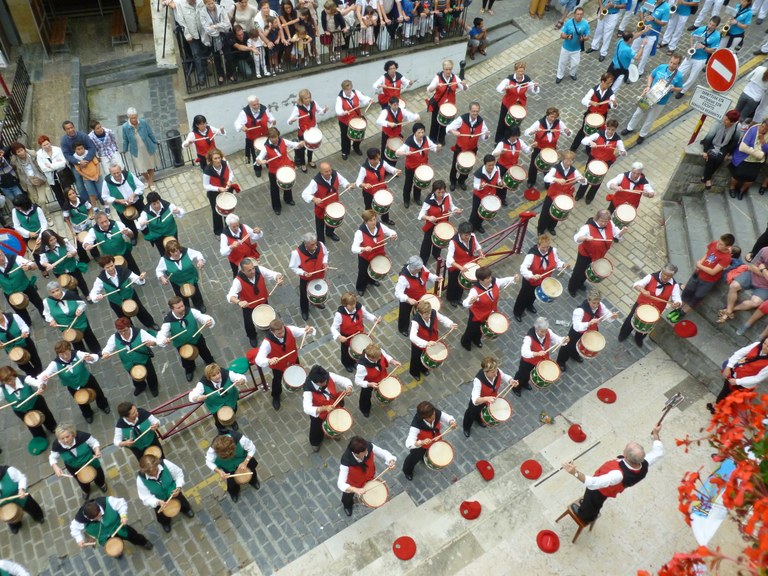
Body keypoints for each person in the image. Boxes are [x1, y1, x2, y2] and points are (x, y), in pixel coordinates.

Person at [562, 425, 664, 523]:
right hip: (611, 487)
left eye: (625, 449)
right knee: (595, 501)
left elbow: (592, 483)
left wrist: (574, 473)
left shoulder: (617, 474)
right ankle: (588, 507)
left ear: (626, 456)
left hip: (600, 490)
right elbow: (658, 452)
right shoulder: (643, 463)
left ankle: (585, 515)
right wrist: (655, 434)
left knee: (592, 501)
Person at [39, 340, 109, 423]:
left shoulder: (77, 354)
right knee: (81, 400)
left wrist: (90, 357)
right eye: (61, 354)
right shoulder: (54, 364)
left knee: (98, 392)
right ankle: (87, 413)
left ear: (70, 349)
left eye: (66, 353)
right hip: (73, 386)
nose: (65, 356)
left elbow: (93, 356)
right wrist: (44, 377)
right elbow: (43, 375)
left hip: (87, 379)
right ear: (58, 354)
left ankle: (103, 405)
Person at [621, 53, 683, 145]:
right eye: (671, 62)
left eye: (674, 64)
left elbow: (680, 88)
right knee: (638, 112)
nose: (671, 65)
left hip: (661, 101)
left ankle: (642, 135)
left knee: (650, 118)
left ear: (678, 65)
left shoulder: (678, 76)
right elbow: (651, 76)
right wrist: (648, 86)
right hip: (650, 95)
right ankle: (630, 128)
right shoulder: (662, 67)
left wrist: (672, 88)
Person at [255, 319, 315, 411]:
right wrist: (269, 360)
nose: (282, 334)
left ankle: (298, 383)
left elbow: (304, 331)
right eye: (279, 333)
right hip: (279, 366)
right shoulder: (267, 343)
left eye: (283, 330)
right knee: (277, 381)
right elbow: (258, 359)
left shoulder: (289, 330)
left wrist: (309, 330)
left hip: (293, 359)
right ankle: (276, 396)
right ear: (272, 331)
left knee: (297, 372)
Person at [618, 263, 681, 346]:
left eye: (668, 276)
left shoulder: (674, 286)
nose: (665, 277)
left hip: (655, 311)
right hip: (641, 305)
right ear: (661, 270)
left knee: (646, 327)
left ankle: (638, 339)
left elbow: (677, 299)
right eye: (664, 274)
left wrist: (677, 303)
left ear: (673, 275)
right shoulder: (651, 277)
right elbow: (636, 285)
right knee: (630, 320)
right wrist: (643, 291)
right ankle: (623, 334)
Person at [567, 209, 626, 297]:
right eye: (602, 221)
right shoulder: (587, 227)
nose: (604, 223)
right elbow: (577, 238)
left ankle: (580, 284)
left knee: (588, 271)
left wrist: (622, 232)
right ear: (597, 218)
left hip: (599, 255)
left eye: (606, 221)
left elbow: (616, 234)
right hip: (585, 255)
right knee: (578, 272)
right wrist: (585, 238)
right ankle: (572, 287)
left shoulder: (609, 223)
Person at [227, 257, 283, 347]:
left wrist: (278, 278)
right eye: (249, 270)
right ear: (243, 272)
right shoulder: (238, 281)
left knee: (267, 317)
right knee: (248, 323)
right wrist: (238, 302)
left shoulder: (259, 270)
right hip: (249, 306)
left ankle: (266, 328)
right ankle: (252, 336)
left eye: (253, 268)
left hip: (263, 300)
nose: (253, 271)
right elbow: (230, 296)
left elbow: (273, 274)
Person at [557, 289, 617, 372]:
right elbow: (576, 326)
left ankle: (574, 354)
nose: (596, 305)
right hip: (577, 332)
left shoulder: (600, 306)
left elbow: (606, 314)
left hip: (590, 332)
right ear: (588, 300)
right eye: (593, 303)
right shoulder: (579, 311)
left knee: (581, 345)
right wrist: (588, 324)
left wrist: (612, 316)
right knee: (568, 347)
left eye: (598, 303)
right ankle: (560, 361)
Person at [89, 256, 157, 329]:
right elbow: (92, 294)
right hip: (116, 302)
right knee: (123, 319)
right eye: (107, 267)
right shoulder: (100, 279)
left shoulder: (123, 270)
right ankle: (131, 330)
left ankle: (150, 323)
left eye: (112, 265)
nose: (111, 269)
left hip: (130, 295)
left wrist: (141, 278)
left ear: (114, 263)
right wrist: (97, 297)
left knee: (141, 311)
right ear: (103, 268)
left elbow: (137, 279)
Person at [158, 297, 216, 382]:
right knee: (186, 360)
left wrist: (208, 321)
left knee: (205, 352)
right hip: (182, 345)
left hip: (197, 339)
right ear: (172, 309)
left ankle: (210, 362)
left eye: (182, 306)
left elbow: (202, 317)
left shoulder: (191, 311)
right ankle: (189, 369)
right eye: (179, 308)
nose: (182, 308)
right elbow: (161, 334)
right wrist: (164, 340)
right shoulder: (168, 322)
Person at [460, 266, 518, 351]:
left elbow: (504, 281)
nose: (490, 279)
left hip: (490, 312)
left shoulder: (495, 282)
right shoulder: (475, 290)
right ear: (481, 280)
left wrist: (513, 279)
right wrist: (471, 301)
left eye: (490, 277)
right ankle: (465, 341)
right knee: (471, 329)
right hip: (477, 315)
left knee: (481, 329)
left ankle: (477, 340)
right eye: (487, 278)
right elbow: (465, 303)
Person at [513, 234, 567, 322]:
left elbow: (557, 262)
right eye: (543, 247)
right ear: (538, 245)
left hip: (543, 280)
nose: (546, 250)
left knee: (534, 295)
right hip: (530, 281)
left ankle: (529, 305)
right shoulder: (531, 255)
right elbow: (523, 268)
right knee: (523, 296)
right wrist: (531, 275)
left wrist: (562, 265)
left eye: (547, 247)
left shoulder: (553, 251)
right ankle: (517, 311)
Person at [337, 435, 396, 516]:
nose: (367, 452)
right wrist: (355, 489)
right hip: (354, 483)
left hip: (368, 476)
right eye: (364, 452)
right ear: (356, 453)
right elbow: (340, 483)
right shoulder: (346, 461)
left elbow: (383, 453)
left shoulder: (367, 446)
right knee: (347, 496)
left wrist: (390, 460)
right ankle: (347, 506)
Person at [70, 497, 153, 553]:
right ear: (87, 517)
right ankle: (118, 552)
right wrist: (79, 539)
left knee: (133, 536)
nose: (99, 518)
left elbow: (121, 504)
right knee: (113, 548)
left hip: (119, 527)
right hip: (104, 537)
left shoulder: (108, 501)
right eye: (95, 518)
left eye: (99, 515)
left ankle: (143, 542)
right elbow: (74, 529)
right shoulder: (80, 519)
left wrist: (123, 515)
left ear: (99, 509)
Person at [136, 455, 195, 533]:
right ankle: (165, 522)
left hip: (174, 492)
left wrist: (178, 487)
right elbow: (146, 498)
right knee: (161, 515)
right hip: (159, 500)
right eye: (150, 473)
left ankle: (186, 509)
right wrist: (157, 502)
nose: (154, 474)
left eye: (155, 469)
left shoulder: (166, 464)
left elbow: (178, 474)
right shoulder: (140, 480)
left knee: (182, 501)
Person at [103, 318, 160, 398]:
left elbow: (155, 341)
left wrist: (153, 343)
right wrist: (105, 353)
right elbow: (108, 348)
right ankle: (140, 386)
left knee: (150, 375)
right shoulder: (114, 337)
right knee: (134, 376)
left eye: (125, 330)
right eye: (120, 331)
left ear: (129, 326)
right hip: (128, 363)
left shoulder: (140, 333)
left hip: (143, 360)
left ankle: (153, 387)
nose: (123, 333)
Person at [679, 234, 735, 316]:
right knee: (688, 290)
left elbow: (713, 272)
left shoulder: (726, 258)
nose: (718, 244)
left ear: (728, 247)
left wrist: (700, 265)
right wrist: (701, 262)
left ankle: (684, 312)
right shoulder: (714, 244)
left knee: (697, 296)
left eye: (721, 244)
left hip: (707, 281)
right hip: (698, 274)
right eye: (719, 241)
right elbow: (707, 254)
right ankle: (679, 307)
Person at [708, 337, 768, 413]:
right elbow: (739, 353)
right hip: (736, 372)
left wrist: (738, 381)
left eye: (767, 346)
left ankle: (719, 407)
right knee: (725, 389)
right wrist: (729, 366)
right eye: (764, 343)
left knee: (731, 396)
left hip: (744, 383)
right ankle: (717, 405)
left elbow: (757, 378)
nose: (764, 347)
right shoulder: (756, 345)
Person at [462, 356, 517, 437]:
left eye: (496, 371)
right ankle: (466, 427)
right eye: (493, 372)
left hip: (490, 400)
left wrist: (511, 380)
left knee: (481, 413)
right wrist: (486, 398)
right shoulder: (478, 380)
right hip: (479, 402)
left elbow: (504, 376)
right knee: (470, 414)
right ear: (486, 371)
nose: (496, 374)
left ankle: (479, 419)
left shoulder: (496, 371)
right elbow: (475, 400)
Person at [303, 364, 353, 452]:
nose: (326, 382)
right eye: (323, 382)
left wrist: (349, 387)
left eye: (326, 380)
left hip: (334, 405)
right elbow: (307, 408)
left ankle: (334, 432)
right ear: (316, 382)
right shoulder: (308, 391)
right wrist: (324, 408)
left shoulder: (327, 376)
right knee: (316, 429)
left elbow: (345, 381)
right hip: (319, 413)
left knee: (336, 420)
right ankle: (315, 442)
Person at [575, 119, 627, 204]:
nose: (610, 131)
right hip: (593, 158)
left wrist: (623, 152)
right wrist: (591, 142)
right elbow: (583, 140)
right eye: (609, 129)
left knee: (598, 180)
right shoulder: (598, 134)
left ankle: (590, 197)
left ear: (615, 129)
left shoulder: (618, 140)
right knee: (587, 176)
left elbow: (623, 152)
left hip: (605, 162)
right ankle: (579, 194)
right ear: (606, 127)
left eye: (612, 130)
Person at [50, 424, 108, 499]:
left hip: (91, 462)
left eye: (67, 437)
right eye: (62, 438)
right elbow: (52, 458)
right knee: (82, 481)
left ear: (73, 434)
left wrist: (97, 450)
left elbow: (94, 443)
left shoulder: (82, 436)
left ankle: (101, 484)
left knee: (99, 475)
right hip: (74, 467)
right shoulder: (57, 445)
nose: (65, 440)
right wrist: (56, 468)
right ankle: (86, 490)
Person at [402, 401, 456, 480]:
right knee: (413, 458)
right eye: (430, 417)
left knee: (431, 452)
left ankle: (424, 458)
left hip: (435, 440)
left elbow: (446, 417)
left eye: (433, 414)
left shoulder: (434, 412)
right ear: (423, 417)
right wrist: (420, 442)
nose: (433, 417)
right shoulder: (416, 426)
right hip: (420, 447)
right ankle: (407, 471)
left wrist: (451, 421)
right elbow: (408, 443)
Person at [0, 365, 57, 439]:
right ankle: (40, 437)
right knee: (32, 424)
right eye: (6, 381)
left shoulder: (25, 379)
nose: (10, 383)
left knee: (46, 416)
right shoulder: (2, 390)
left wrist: (41, 387)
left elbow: (39, 383)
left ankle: (52, 427)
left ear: (14, 375)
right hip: (21, 411)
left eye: (11, 379)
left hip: (36, 403)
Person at [43, 281, 101, 354]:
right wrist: (51, 320)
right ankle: (82, 355)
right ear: (49, 293)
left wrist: (79, 309)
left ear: (60, 289)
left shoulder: (71, 295)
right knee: (75, 341)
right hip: (66, 327)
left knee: (89, 336)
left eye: (57, 290)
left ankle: (96, 350)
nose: (56, 293)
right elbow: (46, 314)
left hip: (80, 321)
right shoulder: (46, 302)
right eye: (53, 292)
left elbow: (82, 304)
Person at [513, 317, 566, 397]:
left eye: (545, 331)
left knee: (529, 376)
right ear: (536, 329)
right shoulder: (529, 338)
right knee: (522, 375)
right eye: (542, 331)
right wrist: (536, 353)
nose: (544, 333)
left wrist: (563, 340)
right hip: (528, 362)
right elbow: (524, 352)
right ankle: (516, 388)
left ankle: (525, 383)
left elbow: (556, 339)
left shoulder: (548, 332)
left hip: (540, 362)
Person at [537, 151, 586, 236]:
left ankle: (551, 227)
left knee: (558, 214)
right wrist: (556, 179)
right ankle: (541, 228)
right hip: (552, 195)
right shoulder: (555, 168)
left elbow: (584, 181)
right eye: (567, 160)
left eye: (571, 161)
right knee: (545, 213)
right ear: (563, 159)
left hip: (563, 196)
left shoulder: (574, 171)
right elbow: (546, 178)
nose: (568, 162)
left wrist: (582, 180)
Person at [255, 127, 302, 215]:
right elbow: (258, 159)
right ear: (269, 137)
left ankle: (288, 199)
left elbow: (293, 144)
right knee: (274, 189)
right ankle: (276, 206)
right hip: (274, 171)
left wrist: (300, 144)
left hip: (286, 167)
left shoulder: (283, 141)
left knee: (288, 184)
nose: (274, 139)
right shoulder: (265, 147)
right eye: (272, 138)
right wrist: (260, 161)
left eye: (276, 137)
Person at [716, 246, 768, 325]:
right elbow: (752, 266)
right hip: (751, 275)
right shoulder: (765, 250)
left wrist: (763, 269)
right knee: (734, 286)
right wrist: (764, 273)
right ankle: (729, 310)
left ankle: (730, 310)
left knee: (755, 302)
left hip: (765, 287)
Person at [446, 101, 490, 192]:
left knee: (468, 167)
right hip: (460, 148)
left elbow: (484, 137)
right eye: (473, 111)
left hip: (472, 149)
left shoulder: (481, 122)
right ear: (469, 111)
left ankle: (462, 181)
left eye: (477, 111)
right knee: (455, 166)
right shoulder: (462, 119)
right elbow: (448, 127)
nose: (475, 113)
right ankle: (453, 182)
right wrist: (453, 131)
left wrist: (486, 135)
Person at [351, 210, 398, 296]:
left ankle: (371, 280)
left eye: (374, 219)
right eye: (371, 221)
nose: (374, 222)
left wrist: (393, 235)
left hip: (378, 255)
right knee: (363, 273)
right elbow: (353, 248)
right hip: (365, 257)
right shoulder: (360, 233)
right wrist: (364, 248)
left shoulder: (380, 226)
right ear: (366, 222)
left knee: (375, 269)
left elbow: (390, 231)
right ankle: (360, 287)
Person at [331, 292, 380, 373]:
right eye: (351, 305)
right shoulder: (339, 315)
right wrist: (339, 337)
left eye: (354, 303)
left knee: (358, 350)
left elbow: (366, 314)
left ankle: (354, 361)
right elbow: (333, 328)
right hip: (347, 337)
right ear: (345, 305)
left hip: (359, 334)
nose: (354, 306)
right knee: (346, 351)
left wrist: (374, 319)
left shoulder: (359, 307)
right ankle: (347, 364)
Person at [301, 162, 350, 243]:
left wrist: (348, 185)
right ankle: (321, 241)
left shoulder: (335, 174)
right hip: (322, 208)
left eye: (329, 170)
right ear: (321, 172)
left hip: (333, 204)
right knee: (320, 226)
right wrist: (314, 199)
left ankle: (330, 233)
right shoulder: (315, 182)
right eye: (326, 172)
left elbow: (343, 181)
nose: (329, 173)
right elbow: (305, 193)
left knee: (332, 222)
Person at [205, 430, 260, 502]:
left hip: (244, 461)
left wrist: (245, 462)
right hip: (228, 468)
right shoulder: (213, 449)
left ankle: (253, 481)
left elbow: (252, 448)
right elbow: (208, 461)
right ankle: (234, 492)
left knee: (252, 472)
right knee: (231, 483)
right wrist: (219, 471)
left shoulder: (241, 439)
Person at [395, 123, 441, 208]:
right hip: (411, 167)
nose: (421, 134)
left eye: (422, 132)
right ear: (414, 133)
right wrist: (406, 152)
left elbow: (434, 148)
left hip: (422, 166)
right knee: (408, 184)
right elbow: (397, 152)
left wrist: (438, 147)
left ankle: (417, 197)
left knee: (419, 183)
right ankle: (406, 199)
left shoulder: (426, 139)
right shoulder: (409, 143)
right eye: (419, 133)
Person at [675, 17, 721, 100]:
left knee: (692, 77)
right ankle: (675, 85)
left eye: (713, 25)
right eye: (710, 24)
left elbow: (712, 51)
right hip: (692, 54)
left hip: (701, 59)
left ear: (716, 26)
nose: (710, 26)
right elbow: (692, 36)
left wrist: (703, 47)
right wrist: (692, 46)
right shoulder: (701, 29)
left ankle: (683, 90)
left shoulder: (717, 36)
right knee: (680, 71)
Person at [189, 363, 244, 431]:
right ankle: (220, 428)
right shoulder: (202, 384)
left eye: (218, 373)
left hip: (231, 400)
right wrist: (197, 398)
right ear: (209, 377)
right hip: (216, 406)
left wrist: (242, 380)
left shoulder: (227, 373)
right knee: (218, 419)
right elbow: (192, 395)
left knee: (233, 411)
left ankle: (232, 422)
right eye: (214, 375)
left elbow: (239, 377)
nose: (218, 376)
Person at [524, 107, 571, 188]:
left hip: (551, 150)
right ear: (547, 116)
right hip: (539, 148)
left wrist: (568, 132)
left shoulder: (559, 123)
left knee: (549, 167)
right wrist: (533, 131)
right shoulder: (539, 123)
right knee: (533, 165)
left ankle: (547, 182)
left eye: (555, 117)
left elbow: (567, 133)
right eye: (551, 116)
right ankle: (531, 180)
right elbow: (526, 132)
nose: (553, 119)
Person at [409, 300, 456, 380]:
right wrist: (426, 343)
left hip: (432, 341)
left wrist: (450, 324)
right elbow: (412, 337)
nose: (429, 315)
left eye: (430, 313)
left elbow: (442, 319)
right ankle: (414, 372)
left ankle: (423, 369)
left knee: (427, 357)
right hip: (419, 344)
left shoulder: (433, 313)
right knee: (416, 358)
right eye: (426, 314)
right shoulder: (415, 321)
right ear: (420, 313)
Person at [494, 61, 540, 143]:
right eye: (519, 71)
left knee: (514, 125)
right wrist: (507, 87)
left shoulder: (526, 80)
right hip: (507, 104)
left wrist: (535, 87)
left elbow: (534, 90)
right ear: (515, 71)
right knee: (502, 122)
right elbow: (499, 88)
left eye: (522, 71)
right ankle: (499, 140)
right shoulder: (509, 79)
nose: (521, 73)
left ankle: (510, 139)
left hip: (519, 105)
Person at [569, 74, 616, 152]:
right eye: (608, 83)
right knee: (583, 131)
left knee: (595, 134)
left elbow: (612, 105)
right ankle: (573, 148)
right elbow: (583, 100)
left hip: (601, 117)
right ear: (602, 81)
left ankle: (588, 149)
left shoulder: (611, 93)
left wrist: (614, 104)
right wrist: (591, 102)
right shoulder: (593, 90)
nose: (609, 85)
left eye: (611, 83)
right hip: (591, 114)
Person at [156, 239, 207, 312]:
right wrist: (162, 277)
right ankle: (185, 308)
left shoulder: (187, 252)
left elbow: (198, 254)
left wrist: (200, 260)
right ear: (169, 252)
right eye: (173, 252)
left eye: (177, 250)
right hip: (177, 282)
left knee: (196, 293)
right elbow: (158, 270)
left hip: (191, 278)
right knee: (181, 297)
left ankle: (199, 305)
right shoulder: (164, 260)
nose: (176, 253)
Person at [8, 143, 53, 225]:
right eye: (18, 152)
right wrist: (14, 153)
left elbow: (34, 153)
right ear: (15, 154)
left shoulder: (30, 155)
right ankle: (42, 216)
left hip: (39, 179)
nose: (21, 152)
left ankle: (48, 216)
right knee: (36, 201)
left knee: (42, 200)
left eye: (22, 150)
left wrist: (26, 149)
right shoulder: (16, 161)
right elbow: (12, 161)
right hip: (28, 182)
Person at [418, 180, 460, 265]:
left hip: (443, 223)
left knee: (441, 239)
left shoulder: (447, 196)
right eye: (439, 192)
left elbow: (452, 206)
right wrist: (428, 217)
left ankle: (436, 254)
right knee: (427, 243)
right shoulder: (428, 201)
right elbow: (420, 215)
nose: (441, 194)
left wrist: (456, 209)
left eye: (443, 192)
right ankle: (423, 260)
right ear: (434, 191)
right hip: (432, 225)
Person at [167, 0, 208, 87]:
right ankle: (201, 76)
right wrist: (187, 34)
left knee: (205, 51)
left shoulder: (200, 2)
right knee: (196, 54)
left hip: (203, 32)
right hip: (192, 34)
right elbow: (181, 21)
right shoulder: (180, 4)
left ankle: (205, 69)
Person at [426, 59, 468, 145]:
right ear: (443, 69)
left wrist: (464, 85)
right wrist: (435, 86)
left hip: (449, 106)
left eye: (450, 69)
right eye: (446, 69)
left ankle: (441, 138)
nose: (448, 71)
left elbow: (464, 89)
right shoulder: (438, 78)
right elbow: (429, 89)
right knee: (435, 123)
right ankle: (432, 140)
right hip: (438, 104)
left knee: (445, 124)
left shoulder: (455, 78)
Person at [395, 255, 440, 336]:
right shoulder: (403, 278)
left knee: (421, 311)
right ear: (413, 269)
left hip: (421, 296)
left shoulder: (420, 267)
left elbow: (428, 274)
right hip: (408, 299)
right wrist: (408, 299)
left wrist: (435, 278)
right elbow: (398, 292)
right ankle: (403, 328)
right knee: (404, 314)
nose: (421, 270)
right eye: (418, 270)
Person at [289, 232, 329, 321]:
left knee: (318, 290)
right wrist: (303, 272)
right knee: (304, 294)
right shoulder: (296, 253)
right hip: (306, 278)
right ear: (306, 244)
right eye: (312, 245)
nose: (315, 246)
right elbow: (293, 267)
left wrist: (325, 262)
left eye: (315, 243)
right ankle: (304, 310)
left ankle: (316, 302)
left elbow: (326, 254)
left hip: (319, 275)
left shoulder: (321, 245)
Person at [234, 95, 276, 179]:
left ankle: (268, 163)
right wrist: (242, 127)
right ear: (249, 105)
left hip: (265, 136)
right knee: (255, 154)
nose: (256, 106)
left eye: (257, 104)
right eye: (254, 105)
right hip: (253, 139)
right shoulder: (244, 112)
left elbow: (270, 117)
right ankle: (257, 168)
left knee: (268, 151)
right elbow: (237, 123)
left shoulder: (264, 108)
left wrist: (272, 120)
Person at [39, 231, 89, 300]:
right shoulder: (44, 250)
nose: (54, 241)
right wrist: (48, 265)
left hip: (72, 267)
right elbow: (42, 261)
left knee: (80, 282)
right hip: (60, 272)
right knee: (69, 286)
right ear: (45, 241)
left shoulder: (63, 241)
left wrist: (71, 254)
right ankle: (76, 298)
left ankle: (87, 295)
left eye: (54, 239)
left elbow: (74, 251)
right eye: (51, 240)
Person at [288, 89, 329, 173]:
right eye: (305, 98)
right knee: (302, 149)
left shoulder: (314, 103)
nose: (308, 100)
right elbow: (289, 121)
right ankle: (303, 163)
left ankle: (310, 160)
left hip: (313, 130)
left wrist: (324, 110)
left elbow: (320, 112)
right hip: (303, 132)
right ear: (301, 99)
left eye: (309, 98)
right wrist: (291, 121)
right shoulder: (297, 108)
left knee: (311, 147)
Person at [355, 343, 401, 417]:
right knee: (365, 396)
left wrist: (393, 361)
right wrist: (369, 384)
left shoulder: (379, 351)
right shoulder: (362, 367)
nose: (380, 358)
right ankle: (364, 409)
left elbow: (386, 356)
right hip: (370, 381)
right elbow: (357, 381)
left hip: (382, 376)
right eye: (378, 358)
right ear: (370, 357)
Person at [101, 162, 145, 237]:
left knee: (142, 218)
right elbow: (105, 196)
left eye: (118, 172)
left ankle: (145, 230)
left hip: (136, 202)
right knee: (127, 223)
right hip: (121, 207)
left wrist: (134, 195)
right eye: (114, 173)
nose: (116, 175)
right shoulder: (106, 182)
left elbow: (141, 186)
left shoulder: (129, 175)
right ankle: (134, 235)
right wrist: (117, 200)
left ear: (121, 170)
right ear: (110, 173)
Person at [356, 147, 399, 226]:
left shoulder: (381, 163)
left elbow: (390, 168)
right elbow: (358, 182)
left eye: (378, 158)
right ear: (370, 159)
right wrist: (364, 185)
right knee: (369, 209)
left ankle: (385, 219)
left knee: (385, 205)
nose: (378, 160)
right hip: (369, 193)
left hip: (381, 190)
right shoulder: (364, 169)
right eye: (376, 159)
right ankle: (368, 222)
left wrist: (395, 171)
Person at [446, 222, 484, 307]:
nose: (468, 237)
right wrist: (460, 267)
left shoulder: (472, 236)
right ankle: (451, 298)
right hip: (456, 265)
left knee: (462, 282)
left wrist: (480, 253)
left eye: (469, 235)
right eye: (466, 235)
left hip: (467, 263)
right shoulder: (453, 242)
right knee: (453, 283)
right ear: (460, 233)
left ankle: (458, 297)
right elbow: (449, 259)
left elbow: (477, 246)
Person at [728, 119, 768, 200]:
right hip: (745, 157)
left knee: (751, 178)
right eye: (762, 126)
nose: (762, 129)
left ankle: (742, 190)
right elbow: (743, 147)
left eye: (765, 129)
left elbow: (767, 151)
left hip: (758, 161)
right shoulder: (753, 130)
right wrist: (757, 153)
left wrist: (763, 142)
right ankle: (732, 188)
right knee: (737, 174)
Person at [0, 251, 44, 326]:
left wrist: (29, 267)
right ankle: (27, 323)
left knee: (38, 303)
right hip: (10, 293)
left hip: (25, 287)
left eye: (1, 255)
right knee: (20, 311)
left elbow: (33, 265)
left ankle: (45, 315)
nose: (1, 259)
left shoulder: (15, 259)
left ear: (3, 253)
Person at [59, 121, 98, 204]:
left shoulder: (83, 135)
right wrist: (79, 162)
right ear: (65, 131)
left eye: (71, 127)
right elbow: (67, 155)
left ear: (74, 127)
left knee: (95, 180)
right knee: (80, 186)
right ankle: (87, 204)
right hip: (76, 165)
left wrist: (86, 160)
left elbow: (92, 147)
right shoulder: (64, 141)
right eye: (68, 129)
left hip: (89, 162)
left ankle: (100, 199)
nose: (70, 130)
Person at [203, 147, 238, 236]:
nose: (218, 160)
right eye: (215, 158)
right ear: (211, 160)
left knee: (228, 209)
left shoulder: (226, 163)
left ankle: (229, 227)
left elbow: (230, 173)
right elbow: (206, 186)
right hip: (214, 194)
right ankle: (218, 230)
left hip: (227, 190)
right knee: (216, 212)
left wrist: (230, 180)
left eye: (219, 158)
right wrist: (218, 188)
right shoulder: (207, 170)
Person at [121, 108, 158, 192]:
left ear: (137, 116)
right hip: (136, 150)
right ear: (129, 117)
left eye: (134, 117)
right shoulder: (125, 127)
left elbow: (150, 133)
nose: (133, 119)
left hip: (147, 147)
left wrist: (155, 141)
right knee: (141, 167)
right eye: (131, 118)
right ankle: (147, 179)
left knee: (150, 165)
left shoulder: (143, 122)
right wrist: (125, 149)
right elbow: (125, 139)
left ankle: (150, 182)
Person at [137, 191, 185, 256]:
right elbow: (138, 225)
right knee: (163, 253)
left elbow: (181, 212)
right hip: (157, 236)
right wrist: (141, 223)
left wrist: (178, 211)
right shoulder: (145, 212)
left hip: (171, 232)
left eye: (158, 202)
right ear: (149, 204)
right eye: (154, 204)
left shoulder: (168, 205)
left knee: (175, 249)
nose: (157, 206)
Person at [0, 465, 44, 534]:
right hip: (5, 505)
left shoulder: (9, 471)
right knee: (10, 517)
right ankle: (15, 525)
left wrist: (21, 489)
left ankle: (38, 516)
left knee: (32, 507)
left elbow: (21, 478)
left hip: (20, 497)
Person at [376, 98, 420, 167]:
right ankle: (383, 167)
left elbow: (409, 115)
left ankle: (393, 168)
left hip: (397, 134)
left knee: (395, 153)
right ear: (389, 104)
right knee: (385, 152)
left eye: (397, 105)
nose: (396, 107)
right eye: (394, 105)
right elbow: (378, 121)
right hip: (387, 135)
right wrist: (388, 123)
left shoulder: (401, 110)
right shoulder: (385, 111)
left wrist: (415, 117)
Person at [335, 80, 372, 160]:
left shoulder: (356, 93)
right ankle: (345, 151)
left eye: (350, 89)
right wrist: (343, 112)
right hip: (345, 121)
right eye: (346, 90)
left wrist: (369, 100)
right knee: (345, 137)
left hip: (356, 118)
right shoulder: (339, 98)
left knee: (358, 135)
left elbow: (364, 99)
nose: (349, 91)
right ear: (343, 89)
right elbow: (338, 110)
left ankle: (356, 147)